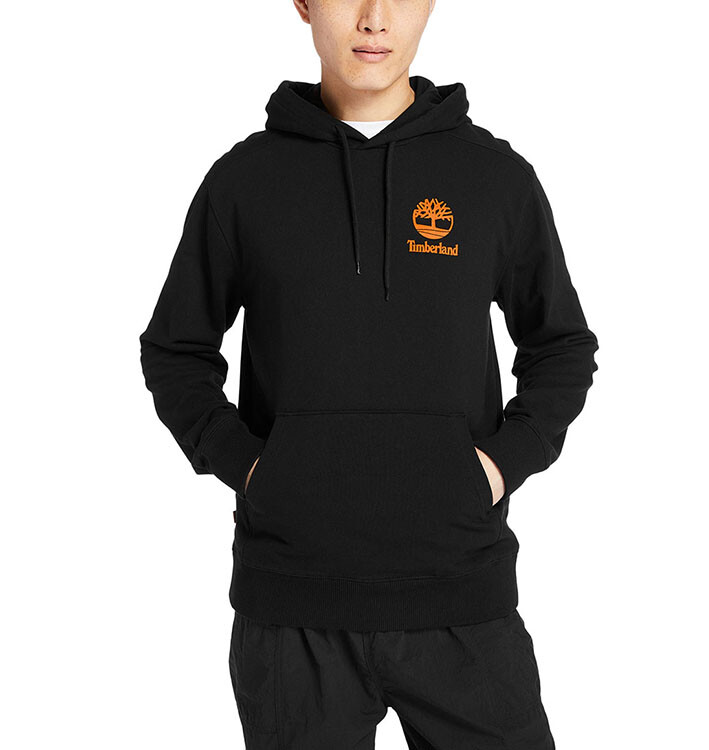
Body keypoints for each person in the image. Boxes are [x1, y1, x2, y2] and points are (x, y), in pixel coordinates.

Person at [139, 1, 599, 747]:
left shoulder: (494, 179)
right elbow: (175, 349)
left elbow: (561, 347)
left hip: (462, 599)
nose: (375, 18)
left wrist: (498, 465)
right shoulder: (244, 182)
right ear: (303, 4)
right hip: (293, 611)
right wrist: (252, 468)